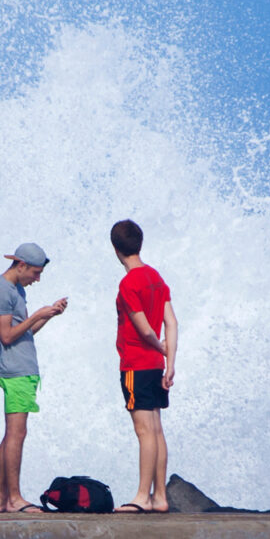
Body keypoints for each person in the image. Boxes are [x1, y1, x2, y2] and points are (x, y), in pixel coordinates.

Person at [0, 243, 67, 512]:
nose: (37, 279)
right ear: (20, 265)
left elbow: (25, 332)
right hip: (15, 370)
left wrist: (48, 315)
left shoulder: (16, 289)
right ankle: (14, 499)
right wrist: (36, 315)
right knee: (17, 434)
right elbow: (6, 335)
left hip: (23, 368)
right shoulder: (1, 290)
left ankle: (0, 500)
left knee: (11, 435)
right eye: (34, 272)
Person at [111, 218, 177, 513]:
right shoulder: (155, 277)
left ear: (116, 249)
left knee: (144, 431)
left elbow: (145, 330)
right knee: (157, 430)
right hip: (155, 366)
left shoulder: (128, 283)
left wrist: (158, 345)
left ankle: (142, 496)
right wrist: (170, 360)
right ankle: (160, 497)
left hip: (136, 363)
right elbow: (171, 322)